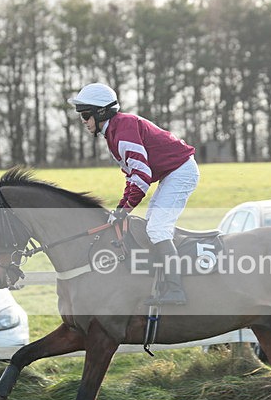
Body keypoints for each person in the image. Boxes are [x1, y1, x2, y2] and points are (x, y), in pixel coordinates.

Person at [68, 82, 198, 305]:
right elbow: (132, 178)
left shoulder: (122, 129)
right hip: (173, 172)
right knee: (153, 227)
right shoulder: (114, 132)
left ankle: (176, 291)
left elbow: (142, 177)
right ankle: (165, 282)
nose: (83, 121)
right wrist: (121, 208)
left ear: (101, 112)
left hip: (181, 172)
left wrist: (124, 210)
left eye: (86, 115)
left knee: (157, 229)